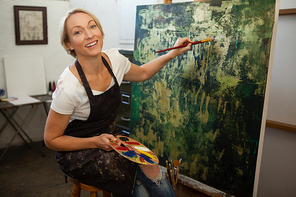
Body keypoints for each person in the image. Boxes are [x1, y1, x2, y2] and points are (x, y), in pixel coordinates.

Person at [44, 8, 192, 197]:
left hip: (110, 137)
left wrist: (172, 53)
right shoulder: (68, 86)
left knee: (150, 163)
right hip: (78, 150)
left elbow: (144, 73)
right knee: (133, 181)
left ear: (100, 30)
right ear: (69, 44)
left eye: (92, 26)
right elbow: (51, 140)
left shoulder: (114, 61)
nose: (89, 35)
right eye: (78, 32)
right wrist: (95, 142)